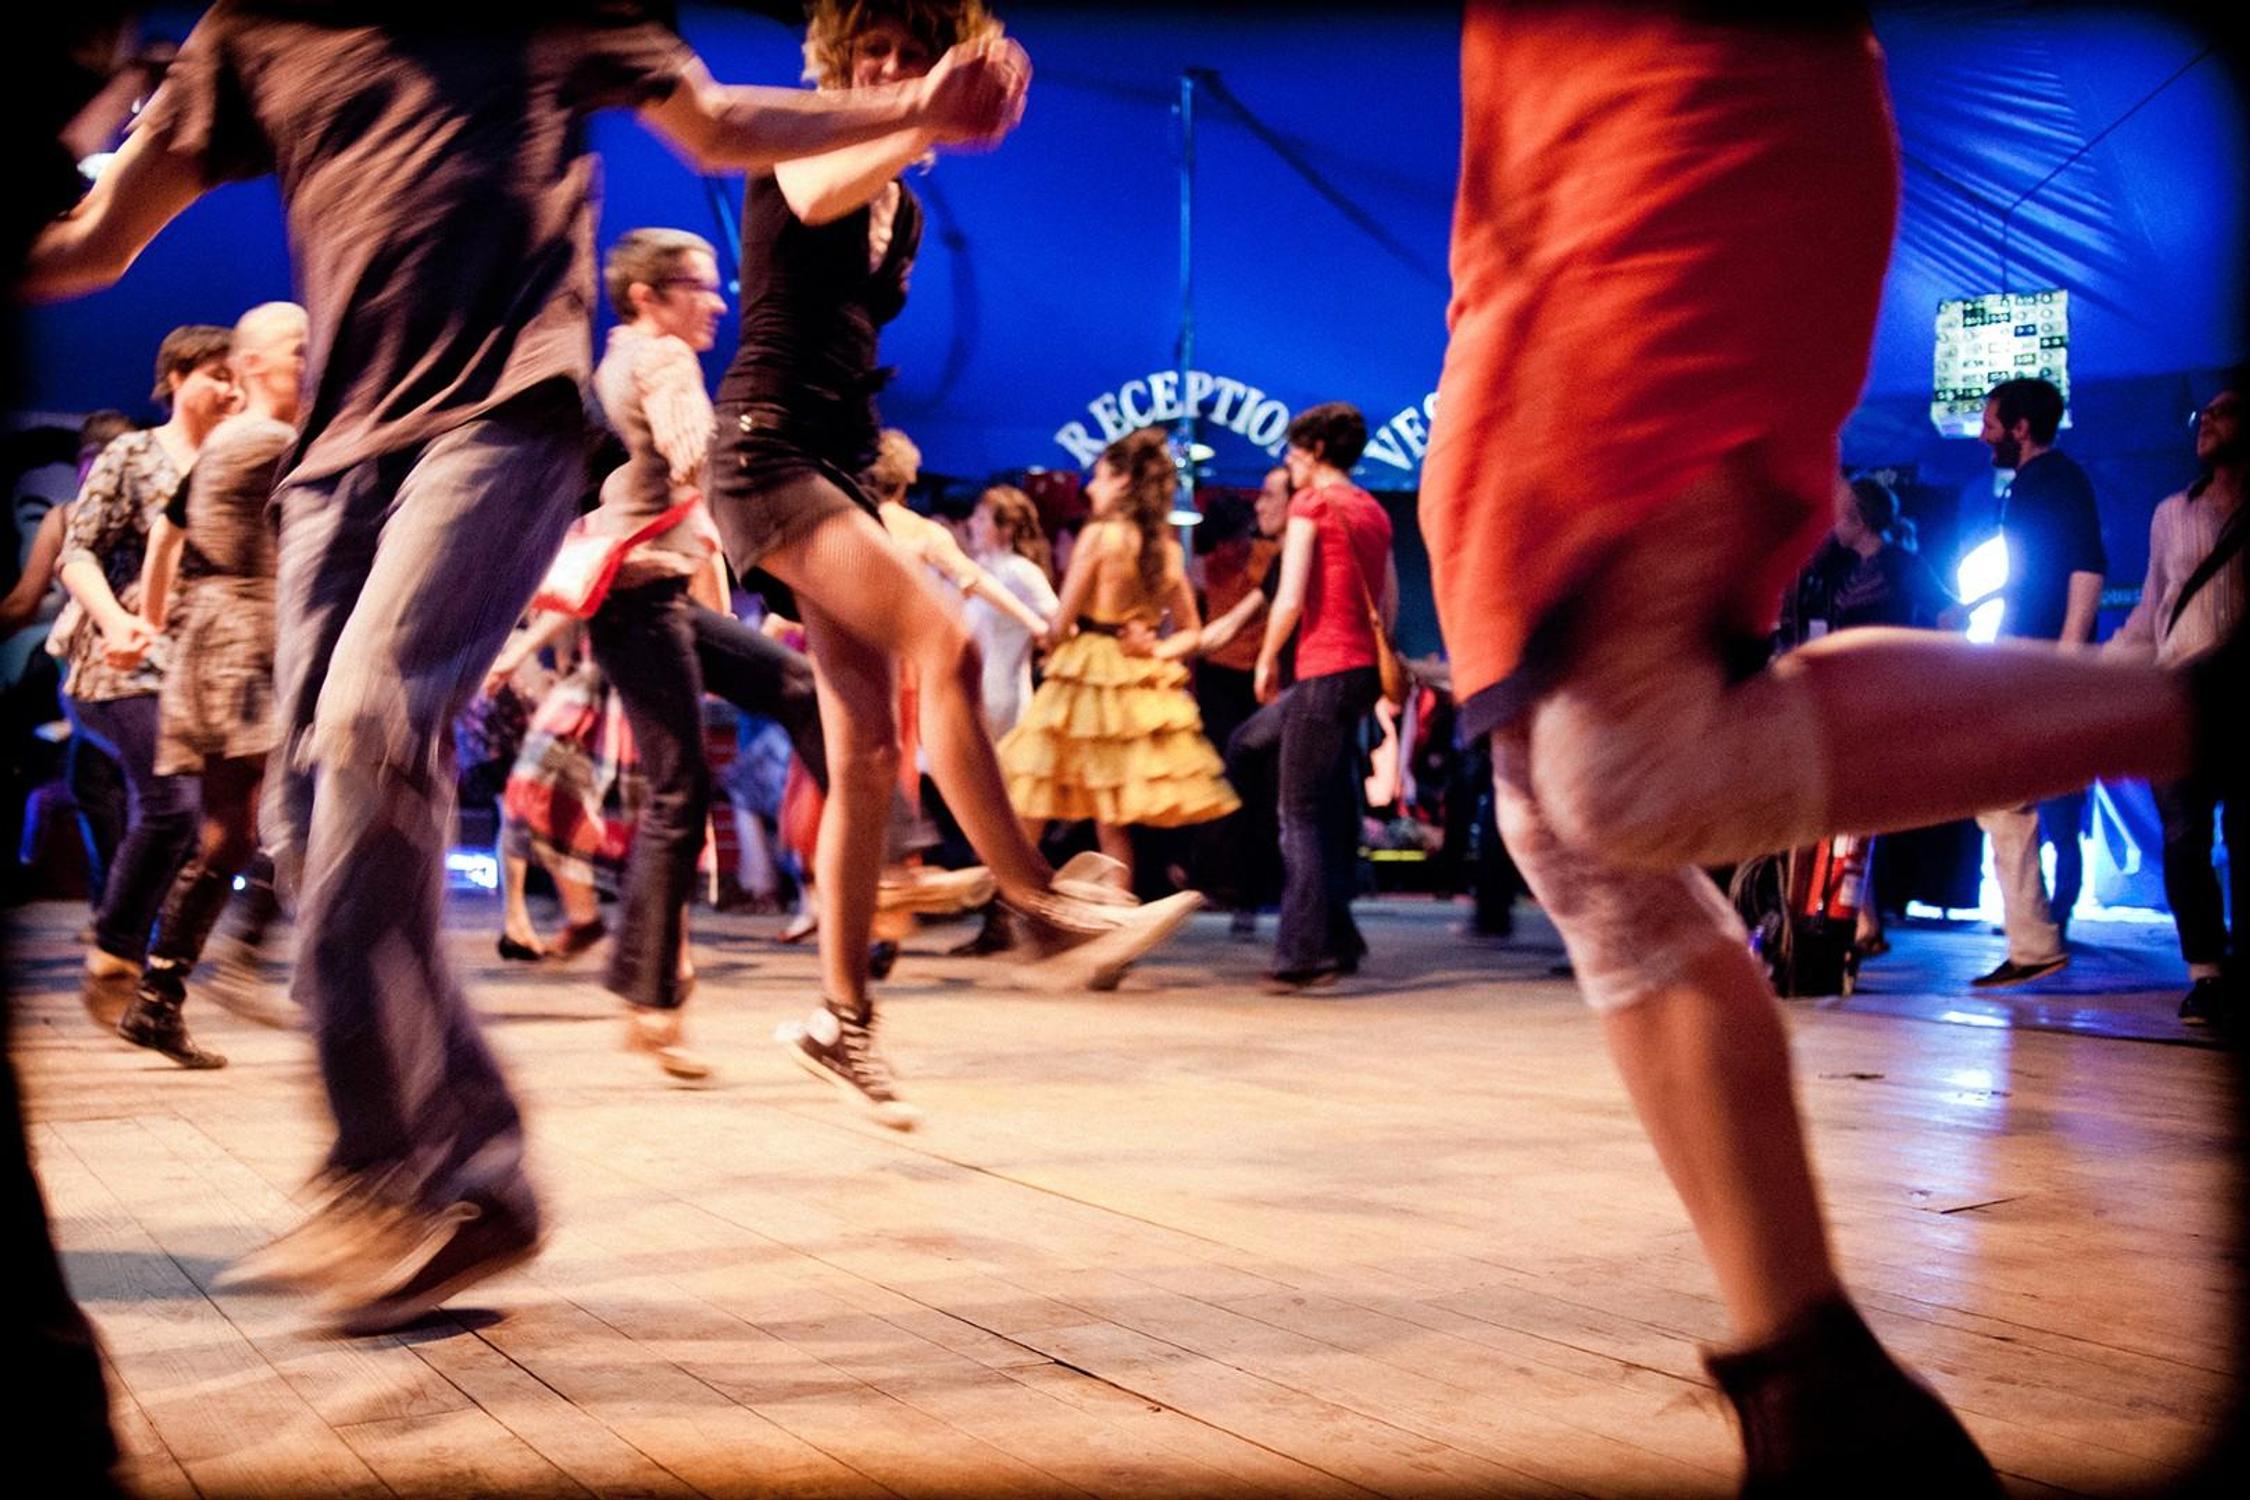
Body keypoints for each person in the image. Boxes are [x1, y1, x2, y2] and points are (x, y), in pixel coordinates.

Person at [22, 0, 1037, 1333]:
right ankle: (470, 1173)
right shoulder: (250, 32)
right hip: (338, 460)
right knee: (302, 808)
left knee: (369, 736)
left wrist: (914, 116)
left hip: (502, 421)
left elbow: (719, 125)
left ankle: (395, 1170)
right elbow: (95, 241)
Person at [1419, 5, 2228, 1487]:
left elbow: (2076, 574)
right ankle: (1815, 1385)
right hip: (1535, 180)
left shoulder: (2054, 490)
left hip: (1679, 98)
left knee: (1631, 770)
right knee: (1569, 826)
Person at [710, 0, 1198, 1130]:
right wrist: (924, 116)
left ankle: (843, 1023)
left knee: (870, 749)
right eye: (872, 52)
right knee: (941, 640)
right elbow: (816, 198)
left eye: (913, 55)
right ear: (842, 63)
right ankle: (1037, 910)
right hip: (765, 448)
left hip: (835, 456)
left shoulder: (908, 209)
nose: (890, 67)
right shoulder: (812, 145)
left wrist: (924, 136)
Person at [576, 224, 838, 1079]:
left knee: (794, 685)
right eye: (699, 283)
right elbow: (701, 464)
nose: (719, 299)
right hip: (639, 604)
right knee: (679, 793)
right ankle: (651, 1002)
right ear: (648, 296)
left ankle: (889, 854)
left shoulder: (613, 362)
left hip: (647, 600)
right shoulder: (660, 362)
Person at [115, 301, 307, 1067]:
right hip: (244, 645)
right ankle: (194, 982)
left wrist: (155, 618)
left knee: (247, 826)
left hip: (231, 636)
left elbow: (168, 529)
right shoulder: (270, 439)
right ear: (253, 366)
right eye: (298, 349)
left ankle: (161, 998)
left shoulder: (233, 439)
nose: (311, 359)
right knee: (254, 824)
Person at [54, 324, 235, 1026]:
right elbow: (78, 553)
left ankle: (159, 973)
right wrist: (114, 619)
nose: (229, 389)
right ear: (176, 378)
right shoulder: (132, 453)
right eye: (215, 374)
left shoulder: (241, 459)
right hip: (117, 659)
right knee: (171, 804)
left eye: (235, 377)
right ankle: (115, 950)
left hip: (203, 668)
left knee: (214, 826)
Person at [999, 425, 1238, 886]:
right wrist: (1157, 647)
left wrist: (1042, 634)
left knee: (1034, 800)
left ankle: (1013, 907)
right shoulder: (1165, 549)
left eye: (1100, 477)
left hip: (1085, 672)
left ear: (1124, 482)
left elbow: (1061, 620)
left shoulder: (1099, 537)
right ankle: (1116, 924)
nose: (1090, 487)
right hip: (1132, 681)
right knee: (1111, 819)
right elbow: (1193, 631)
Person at [2107, 381, 2243, 1029]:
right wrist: (2109, 666)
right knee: (2185, 839)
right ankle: (2207, 973)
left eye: (2223, 412)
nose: (2206, 422)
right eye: (2203, 414)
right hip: (2179, 691)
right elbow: (2154, 601)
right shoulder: (2172, 512)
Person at [1252, 403, 1395, 992]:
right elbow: (1389, 606)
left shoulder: (1311, 504)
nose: (1290, 464)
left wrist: (1265, 656)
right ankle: (1338, 934)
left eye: (1292, 454)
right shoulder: (1376, 512)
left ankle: (1304, 953)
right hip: (1362, 672)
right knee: (1318, 801)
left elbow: (1289, 597)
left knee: (1299, 815)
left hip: (1323, 666)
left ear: (1312, 452)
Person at [1971, 377, 2106, 988]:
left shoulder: (2056, 479)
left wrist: (2069, 662)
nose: (1983, 434)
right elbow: (2042, 571)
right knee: (2003, 798)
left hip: (2038, 662)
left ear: (2021, 427)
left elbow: (2086, 567)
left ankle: (2036, 940)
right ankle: (2034, 939)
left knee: (2003, 795)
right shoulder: (2032, 484)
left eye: (1991, 422)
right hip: (2023, 656)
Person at [1820, 475, 1955, 957]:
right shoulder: (1841, 569)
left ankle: (1864, 919)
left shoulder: (1901, 563)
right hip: (1844, 696)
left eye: (1838, 512)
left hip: (1879, 696)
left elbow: (1950, 613)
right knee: (1847, 811)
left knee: (1855, 810)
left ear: (1858, 518)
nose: (1831, 522)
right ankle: (1863, 919)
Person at [1194, 465, 1289, 935]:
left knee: (1261, 790)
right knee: (1223, 786)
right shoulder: (1207, 564)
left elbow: (1258, 615)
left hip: (1258, 678)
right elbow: (1210, 628)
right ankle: (1225, 885)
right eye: (1224, 540)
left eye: (1237, 537)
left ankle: (1256, 891)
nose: (1233, 547)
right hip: (1216, 680)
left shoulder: (1270, 555)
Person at [964, 483, 1059, 739]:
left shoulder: (1021, 571)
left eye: (982, 518)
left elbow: (1060, 624)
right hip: (973, 691)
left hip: (1002, 696)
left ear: (1006, 529)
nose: (972, 523)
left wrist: (1045, 644)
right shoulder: (978, 568)